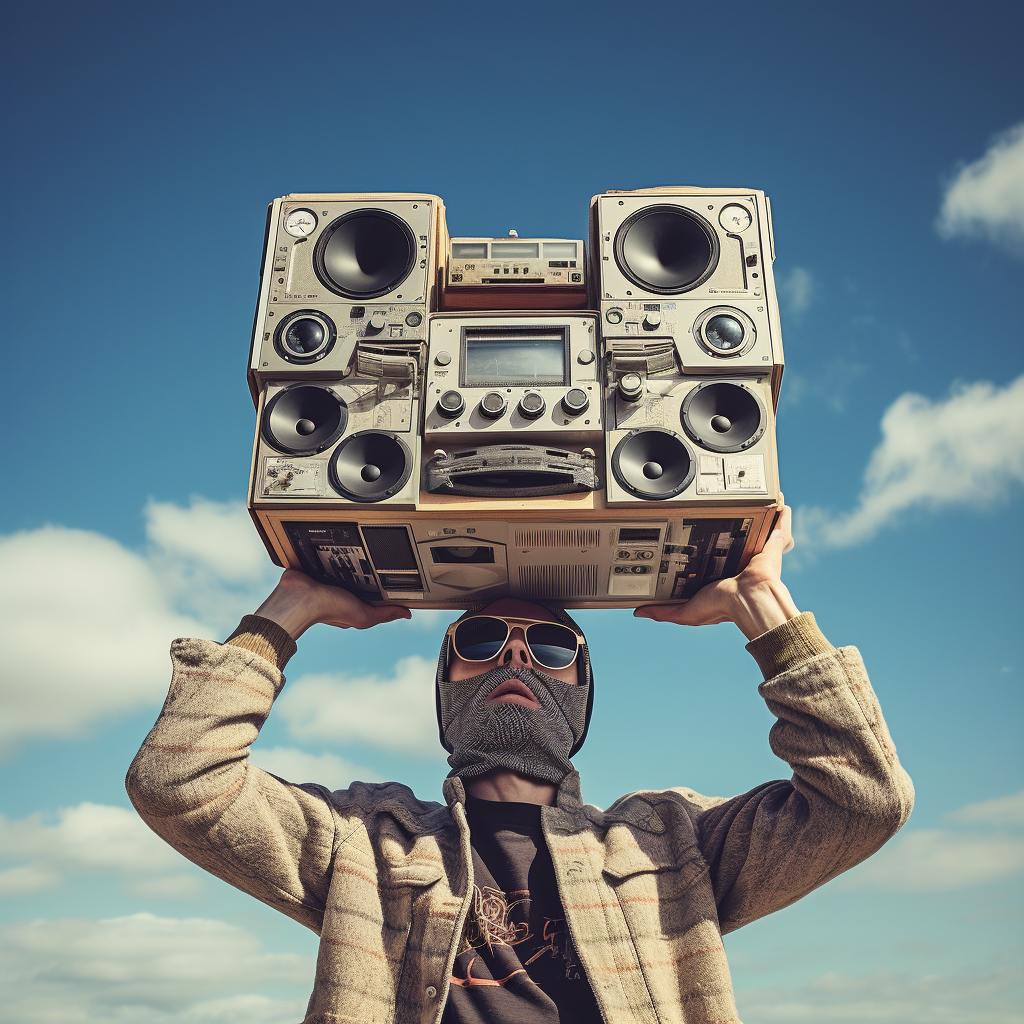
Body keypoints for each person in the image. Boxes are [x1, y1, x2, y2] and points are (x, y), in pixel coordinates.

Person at [126, 506, 913, 1023]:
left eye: (550, 646)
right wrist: (288, 607)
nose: (513, 652)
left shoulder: (675, 844)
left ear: (580, 695)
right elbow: (177, 781)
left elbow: (864, 801)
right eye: (477, 641)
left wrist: (763, 608)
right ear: (446, 695)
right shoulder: (363, 844)